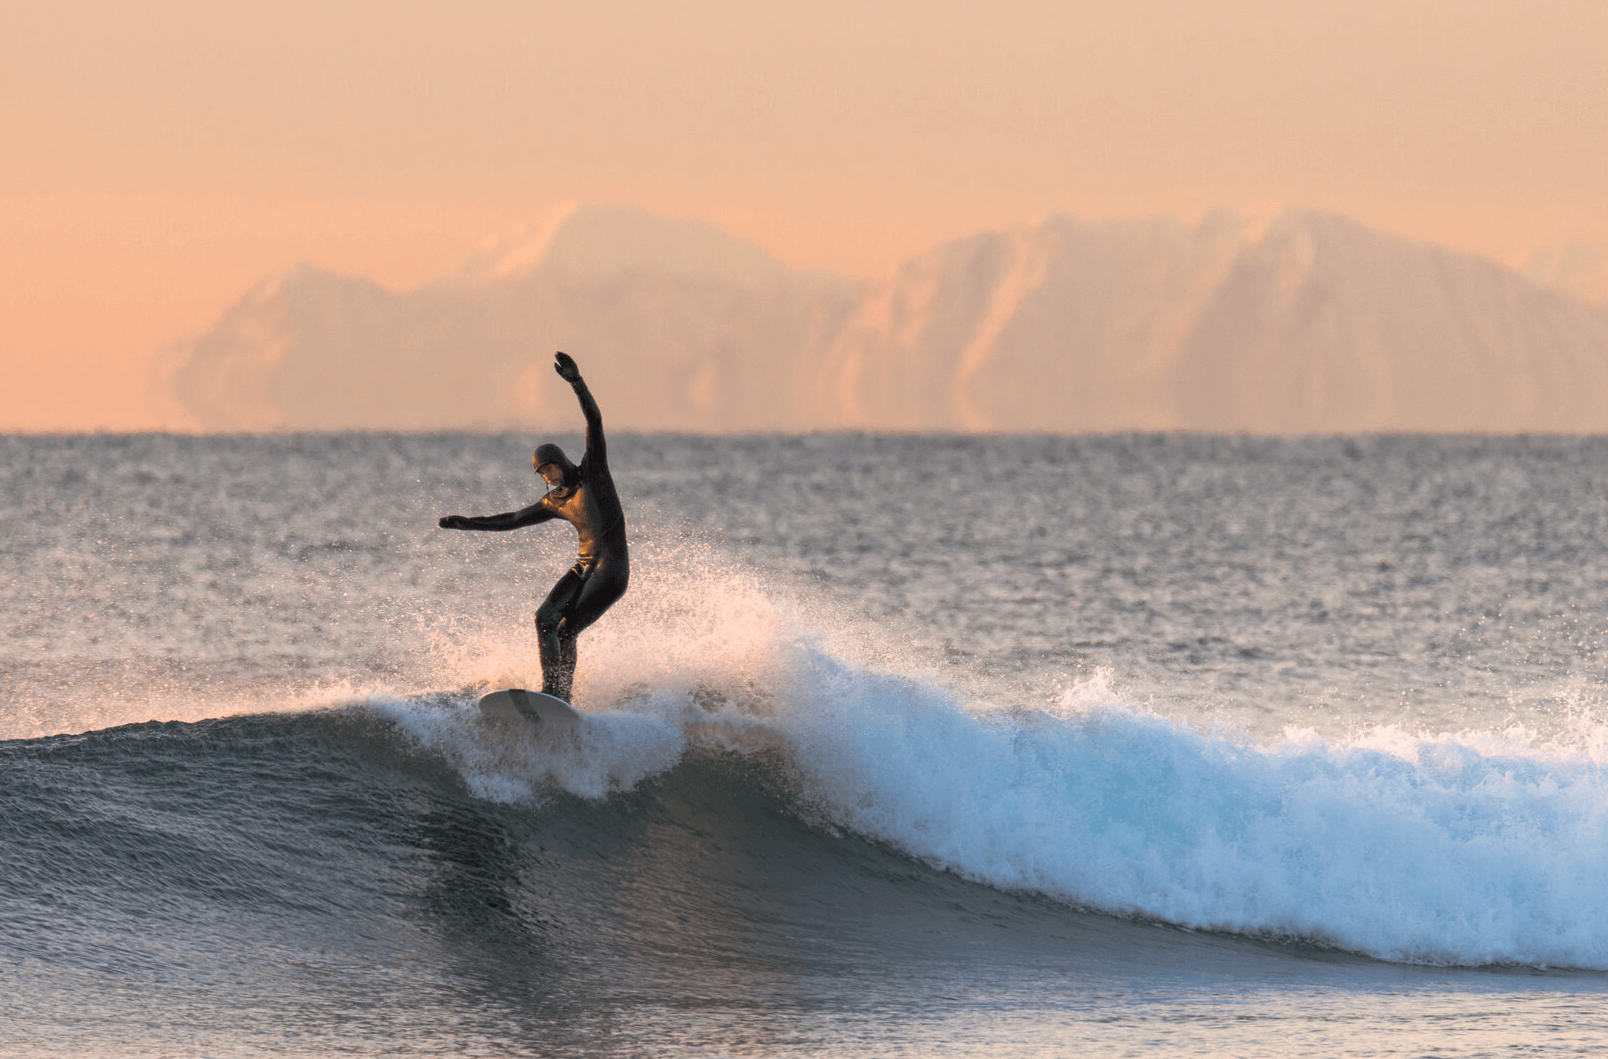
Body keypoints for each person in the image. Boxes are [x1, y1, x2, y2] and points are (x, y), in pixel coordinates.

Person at [438, 352, 628, 702]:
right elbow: (512, 520)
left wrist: (576, 381)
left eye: (547, 470)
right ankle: (551, 693)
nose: (545, 477)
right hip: (584, 566)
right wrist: (468, 524)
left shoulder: (594, 472)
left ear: (558, 461)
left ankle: (559, 696)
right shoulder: (555, 501)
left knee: (568, 631)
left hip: (611, 570)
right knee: (544, 619)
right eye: (541, 474)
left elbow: (595, 420)